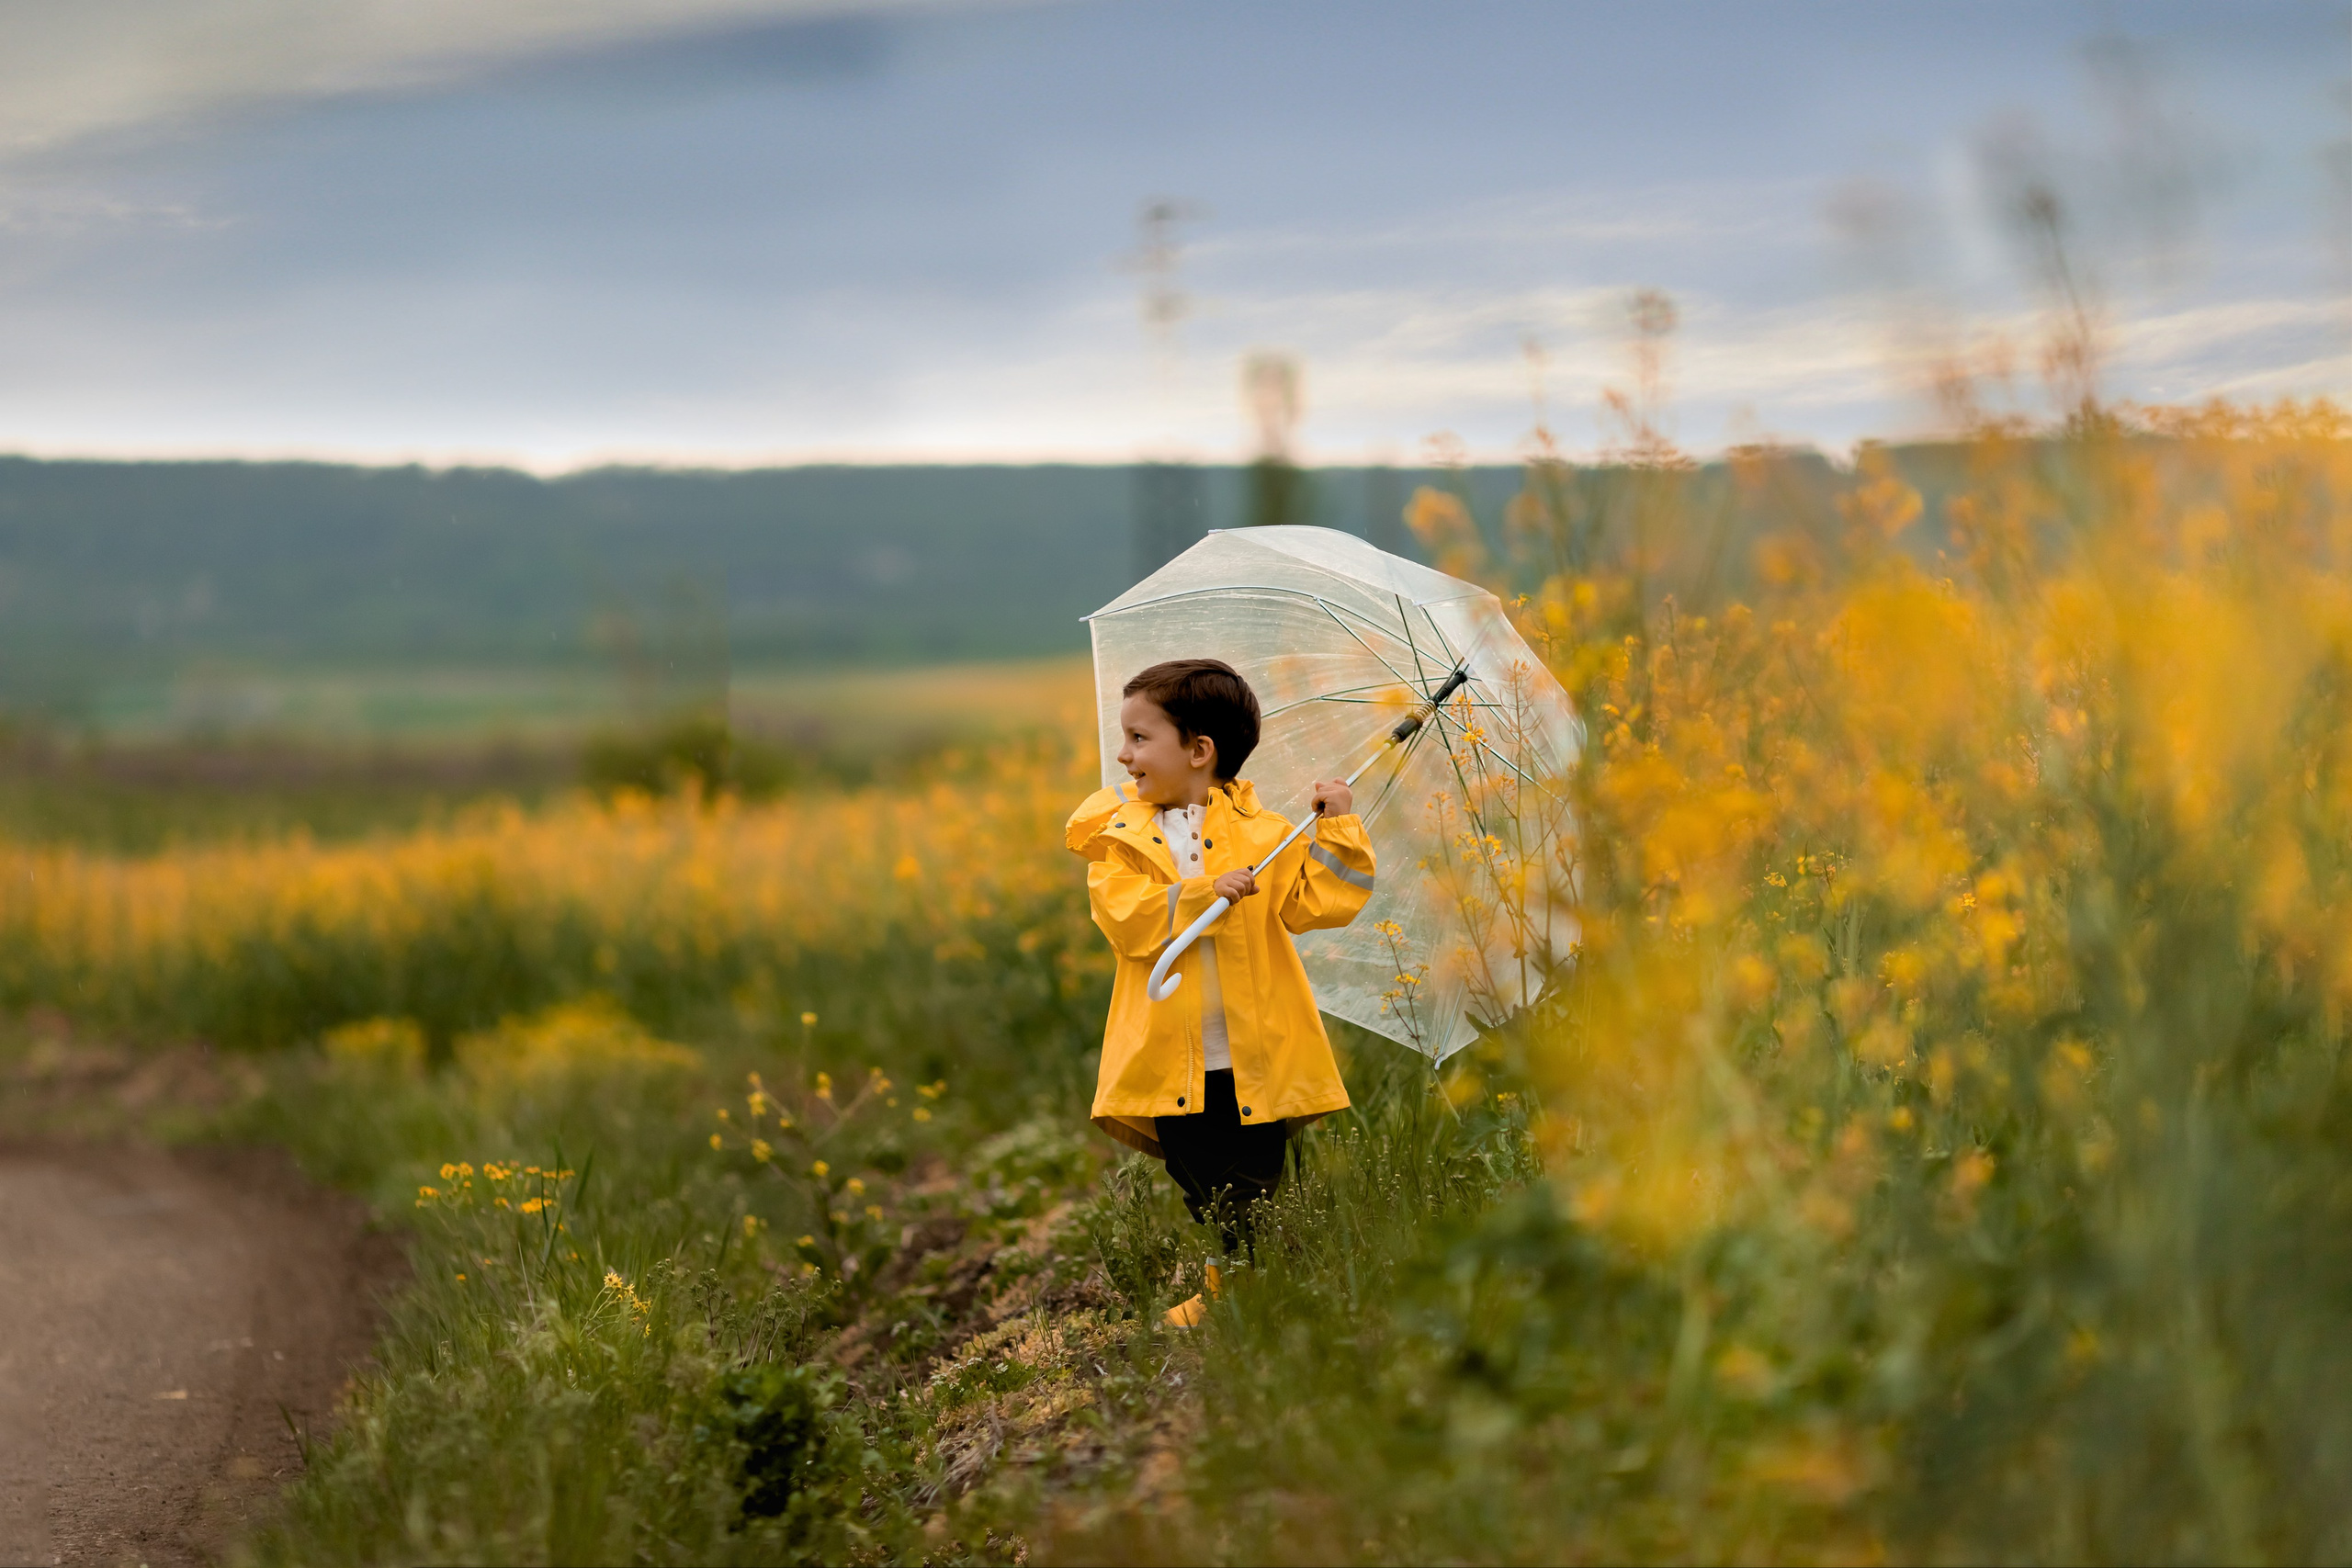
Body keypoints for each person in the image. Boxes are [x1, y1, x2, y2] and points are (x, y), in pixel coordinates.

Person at [1064, 657, 1376, 1326]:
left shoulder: (1268, 837)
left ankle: (1239, 1290)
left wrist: (1337, 827)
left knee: (1254, 1180)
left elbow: (1320, 904)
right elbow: (1127, 920)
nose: (1124, 754)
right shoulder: (1119, 837)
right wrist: (1207, 889)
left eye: (1140, 738)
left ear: (1200, 750)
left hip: (1254, 1048)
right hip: (1170, 1052)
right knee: (1199, 1177)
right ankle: (1249, 1281)